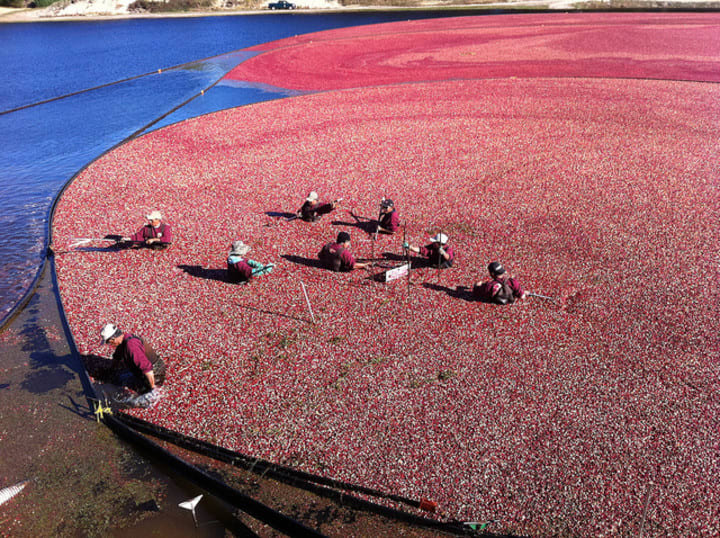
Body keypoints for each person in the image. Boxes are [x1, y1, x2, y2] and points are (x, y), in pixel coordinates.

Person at [100, 323, 166, 395]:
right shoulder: (122, 341)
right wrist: (110, 371)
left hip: (155, 371)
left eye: (109, 342)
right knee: (122, 377)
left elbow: (147, 368)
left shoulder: (131, 346)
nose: (110, 345)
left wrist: (153, 389)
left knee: (142, 391)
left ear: (113, 339)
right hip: (144, 369)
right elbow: (116, 358)